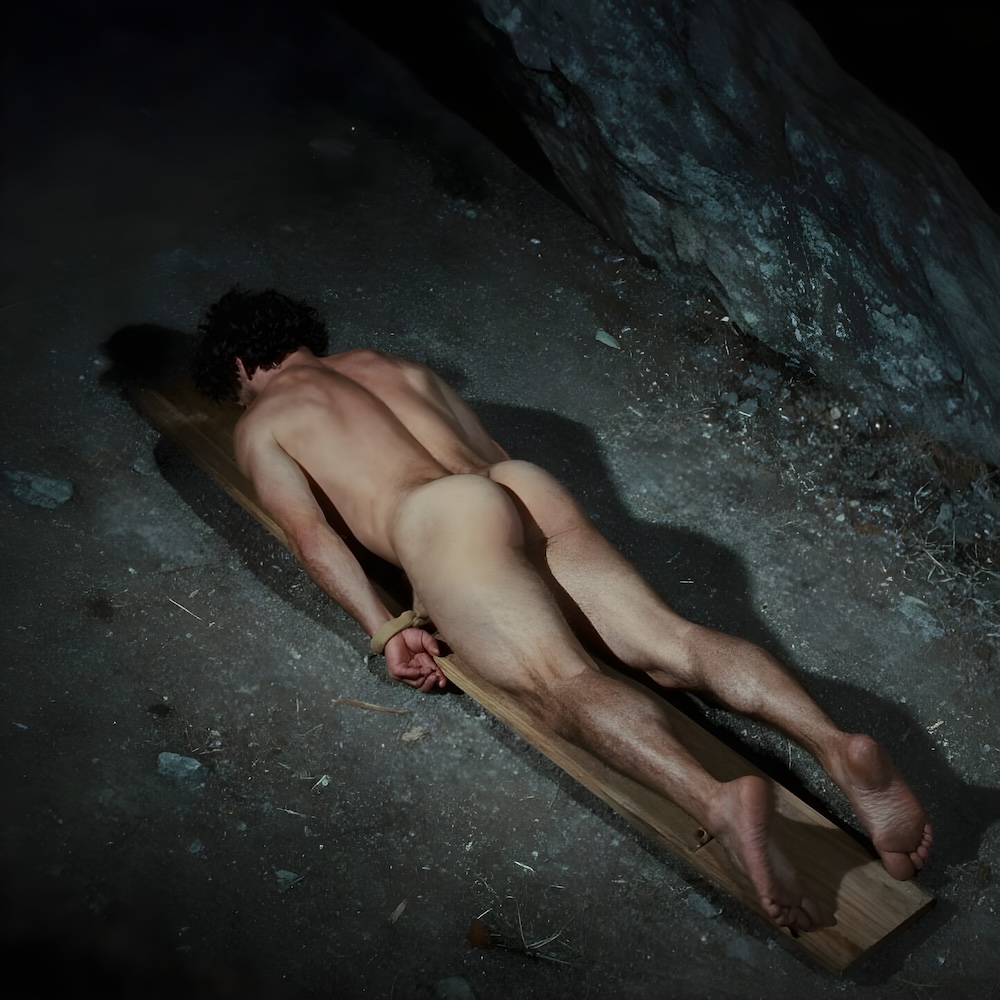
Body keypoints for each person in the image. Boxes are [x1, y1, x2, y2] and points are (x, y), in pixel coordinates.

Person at [192, 288, 932, 932]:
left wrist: (387, 627)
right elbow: (486, 463)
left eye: (236, 391)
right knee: (674, 643)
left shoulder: (264, 420)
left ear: (240, 367)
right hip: (520, 486)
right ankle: (836, 745)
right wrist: (439, 578)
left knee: (562, 683)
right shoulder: (394, 366)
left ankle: (717, 803)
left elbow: (312, 537)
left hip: (440, 519)